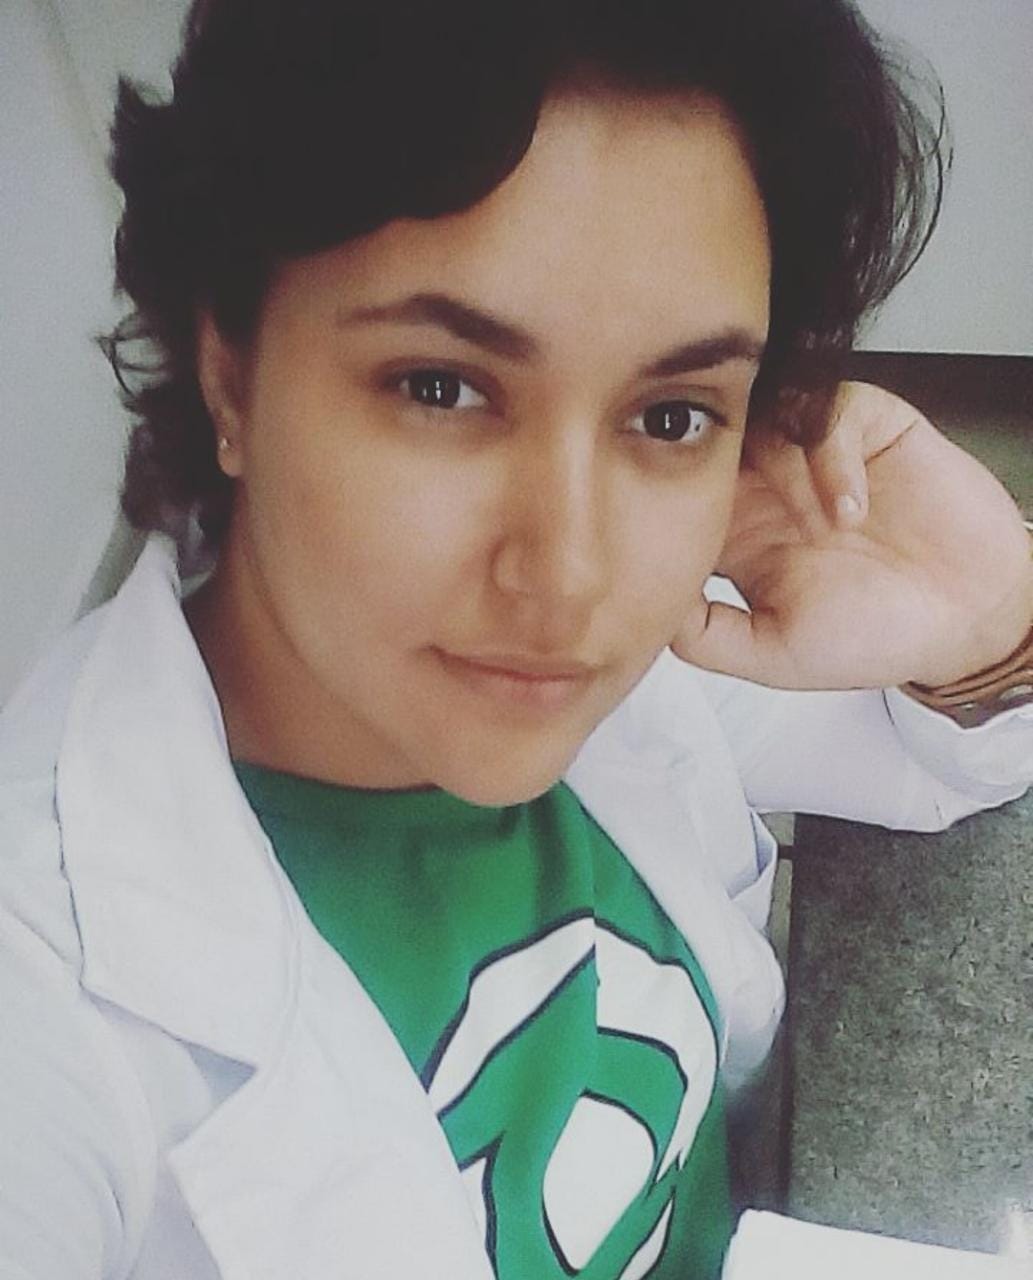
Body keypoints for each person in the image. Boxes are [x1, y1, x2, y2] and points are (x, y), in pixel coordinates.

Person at [1, 0, 1031, 1277]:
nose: (570, 572)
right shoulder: (47, 989)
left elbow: (940, 759)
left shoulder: (631, 665)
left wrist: (989, 613)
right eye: (441, 387)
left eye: (670, 413)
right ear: (229, 371)